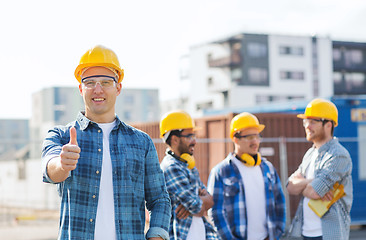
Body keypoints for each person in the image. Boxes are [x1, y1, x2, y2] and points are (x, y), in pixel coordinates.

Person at [41, 45, 171, 240]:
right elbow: (50, 168)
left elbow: (160, 199)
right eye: (90, 82)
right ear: (80, 88)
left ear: (118, 88)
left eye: (106, 82)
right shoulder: (61, 135)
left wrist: (156, 236)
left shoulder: (141, 142)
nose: (98, 89)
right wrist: (62, 164)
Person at [207, 112, 286, 240]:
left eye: (257, 136)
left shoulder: (268, 169)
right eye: (250, 137)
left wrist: (276, 234)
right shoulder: (221, 172)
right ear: (235, 139)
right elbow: (216, 213)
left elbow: (280, 203)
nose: (255, 141)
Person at [287, 98, 353, 240]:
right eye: (305, 121)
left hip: (328, 234)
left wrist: (304, 185)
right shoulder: (310, 154)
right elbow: (290, 187)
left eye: (313, 122)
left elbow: (314, 192)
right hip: (305, 233)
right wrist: (311, 181)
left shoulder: (338, 155)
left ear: (328, 125)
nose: (307, 126)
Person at [159, 110, 219, 240]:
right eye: (189, 136)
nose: (194, 141)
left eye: (194, 136)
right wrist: (200, 201)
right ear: (174, 139)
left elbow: (208, 202)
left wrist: (197, 202)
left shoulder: (188, 165)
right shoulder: (171, 168)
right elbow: (196, 206)